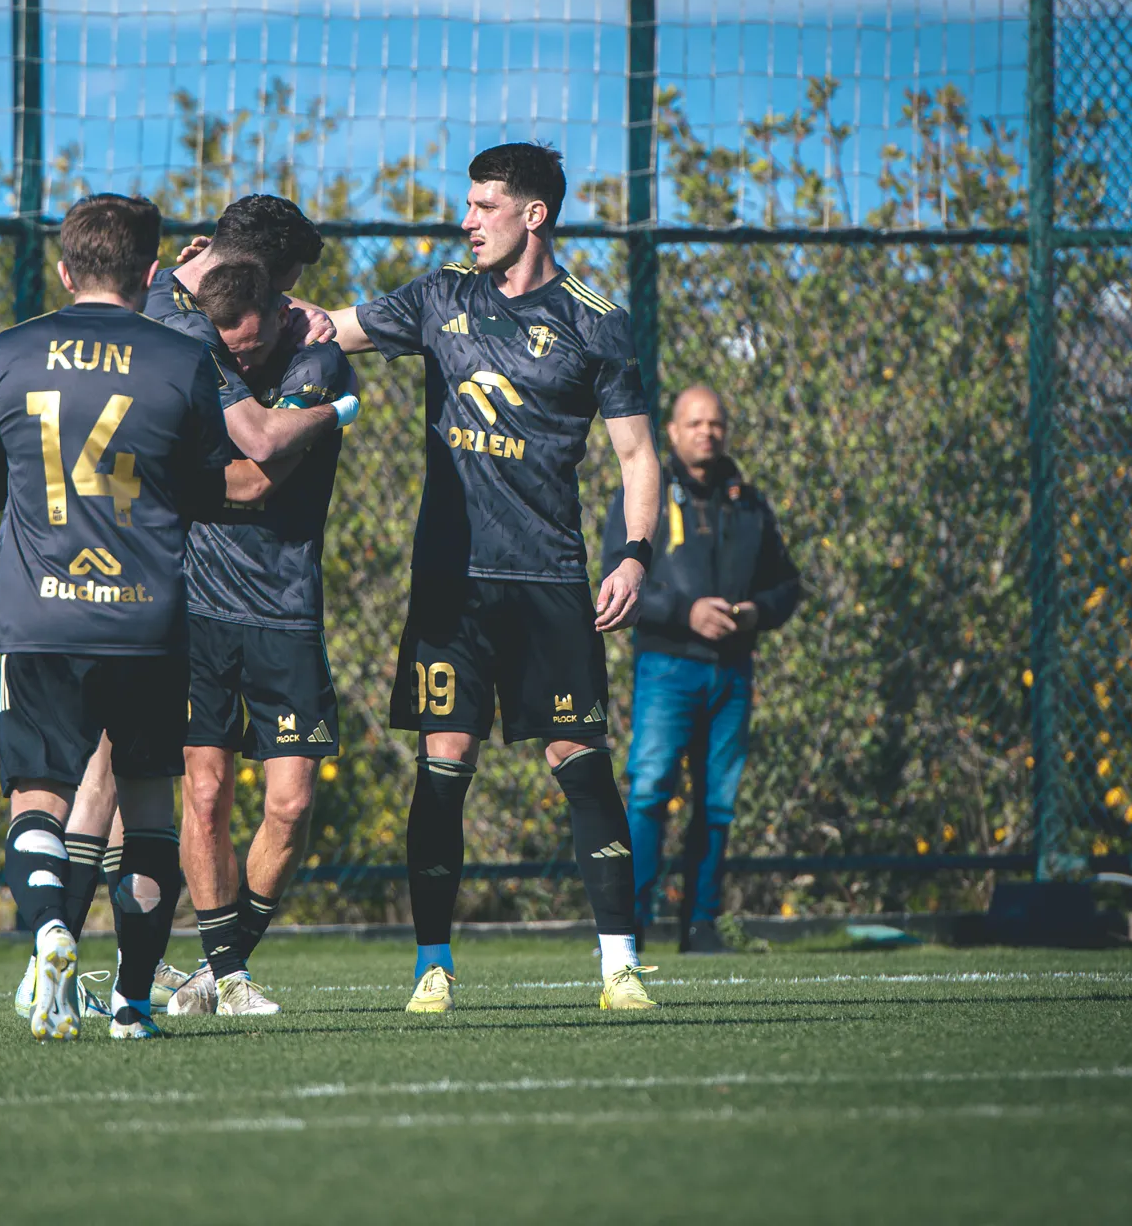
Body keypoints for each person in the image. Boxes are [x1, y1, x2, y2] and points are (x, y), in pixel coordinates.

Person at [293, 141, 664, 1013]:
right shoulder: (439, 296)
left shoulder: (596, 320)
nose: (466, 221)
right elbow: (325, 327)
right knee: (443, 763)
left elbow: (639, 457)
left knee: (580, 761)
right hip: (450, 585)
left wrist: (634, 553)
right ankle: (434, 965)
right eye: (467, 205)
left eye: (483, 206)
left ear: (534, 215)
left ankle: (620, 966)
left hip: (548, 581)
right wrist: (230, 290)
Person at [0, 192, 232, 1041]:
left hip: (37, 616)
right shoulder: (183, 358)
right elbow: (208, 488)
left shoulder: (10, 352)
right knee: (148, 812)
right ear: (151, 273)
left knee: (37, 801)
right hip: (146, 619)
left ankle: (51, 927)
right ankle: (132, 1006)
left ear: (63, 269)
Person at [155, 258, 358, 1017]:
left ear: (279, 312)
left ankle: (218, 969)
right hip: (199, 610)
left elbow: (258, 475)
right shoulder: (197, 354)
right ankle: (229, 976)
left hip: (287, 612)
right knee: (205, 795)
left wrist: (170, 481)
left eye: (252, 348)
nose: (240, 364)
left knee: (292, 806)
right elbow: (148, 281)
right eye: (229, 351)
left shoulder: (318, 363)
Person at [600, 384, 800, 953]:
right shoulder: (646, 495)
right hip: (667, 668)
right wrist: (686, 611)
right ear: (672, 431)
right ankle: (627, 927)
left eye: (714, 423)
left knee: (717, 802)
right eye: (694, 423)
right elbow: (616, 572)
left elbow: (786, 584)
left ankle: (701, 926)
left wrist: (756, 612)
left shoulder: (748, 503)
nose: (706, 433)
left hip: (732, 673)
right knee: (649, 792)